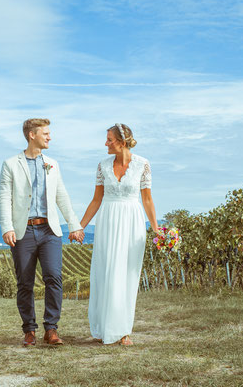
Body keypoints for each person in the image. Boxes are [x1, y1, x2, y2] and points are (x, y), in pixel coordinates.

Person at [0, 118, 84, 347]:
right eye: (45, 133)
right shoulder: (10, 164)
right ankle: (29, 331)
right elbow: (4, 197)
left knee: (54, 278)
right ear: (31, 135)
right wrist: (7, 227)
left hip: (50, 230)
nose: (49, 137)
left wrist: (74, 225)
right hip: (22, 230)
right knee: (25, 283)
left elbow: (62, 196)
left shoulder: (53, 163)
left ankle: (51, 329)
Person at [80, 123, 158, 346]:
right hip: (107, 220)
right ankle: (103, 328)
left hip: (132, 222)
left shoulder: (143, 164)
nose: (106, 143)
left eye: (109, 140)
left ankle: (123, 330)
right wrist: (81, 226)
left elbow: (147, 200)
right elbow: (96, 200)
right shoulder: (102, 165)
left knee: (126, 275)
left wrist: (155, 229)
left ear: (122, 142)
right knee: (105, 272)